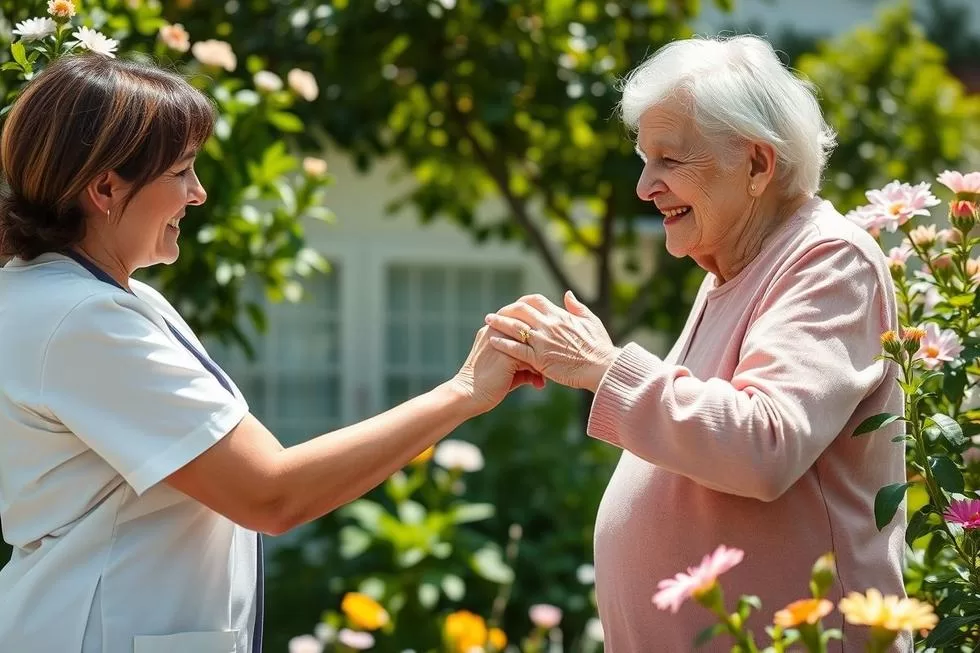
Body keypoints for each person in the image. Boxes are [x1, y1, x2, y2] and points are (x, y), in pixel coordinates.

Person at [0, 54, 542, 653]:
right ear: (105, 187)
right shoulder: (82, 319)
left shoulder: (73, 298)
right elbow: (271, 493)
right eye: (181, 172)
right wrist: (463, 393)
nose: (198, 193)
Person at [485, 35, 909, 652]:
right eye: (644, 159)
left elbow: (763, 443)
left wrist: (605, 369)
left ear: (758, 165)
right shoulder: (733, 267)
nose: (644, 186)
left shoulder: (826, 259)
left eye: (670, 161)